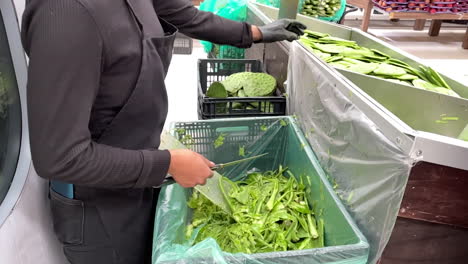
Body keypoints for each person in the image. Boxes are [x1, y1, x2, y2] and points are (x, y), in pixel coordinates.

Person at [20, 0, 306, 263]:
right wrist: (168, 164)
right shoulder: (66, 13)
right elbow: (60, 157)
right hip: (97, 208)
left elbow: (185, 15)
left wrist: (255, 33)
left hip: (135, 176)